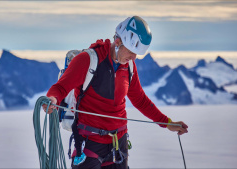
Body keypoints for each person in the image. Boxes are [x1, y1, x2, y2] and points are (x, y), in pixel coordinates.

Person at [43, 16, 188, 169]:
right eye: (132, 51)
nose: (134, 58)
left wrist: (167, 122)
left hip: (118, 144)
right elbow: (60, 88)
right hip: (90, 143)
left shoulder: (129, 66)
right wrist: (52, 100)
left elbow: (140, 100)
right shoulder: (88, 60)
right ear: (118, 42)